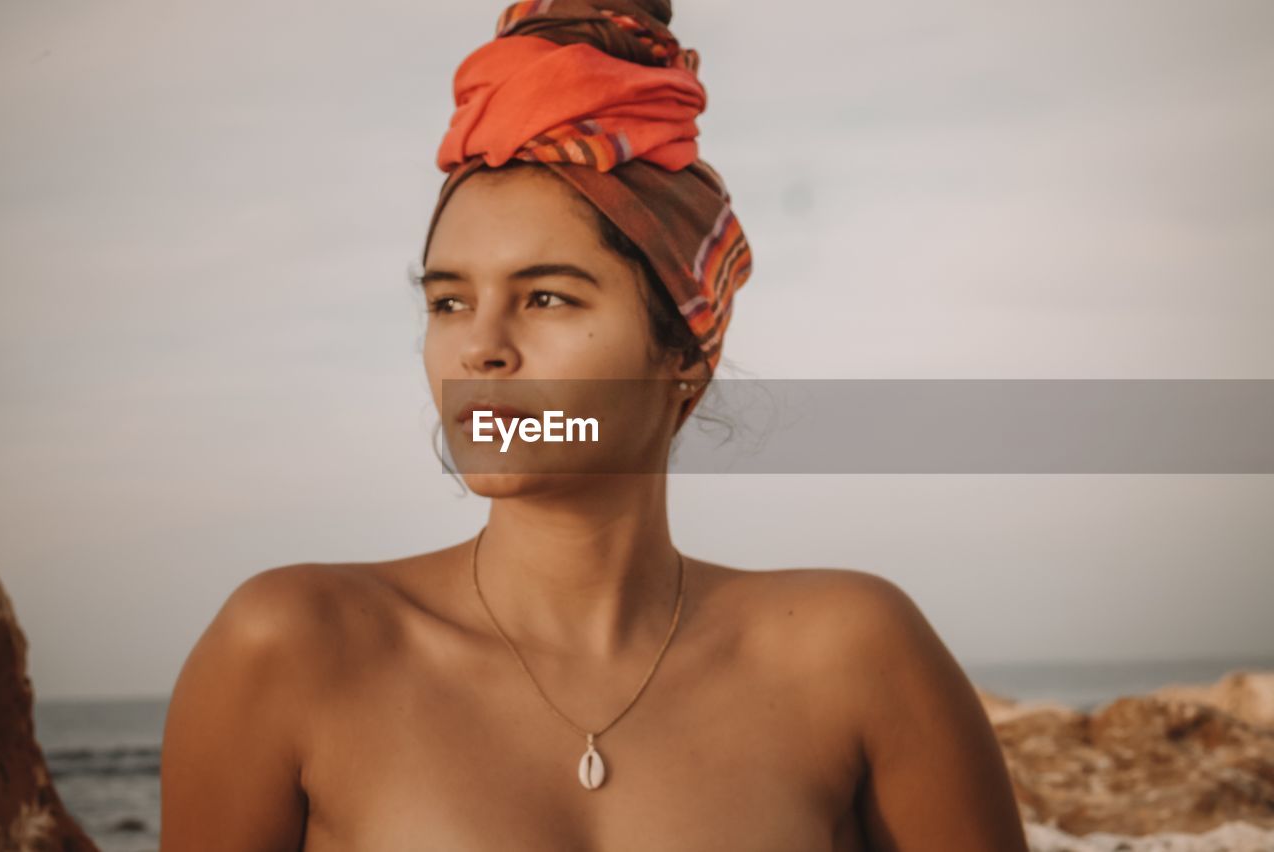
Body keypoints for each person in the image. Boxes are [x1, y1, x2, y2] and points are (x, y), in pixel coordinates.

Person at [159, 2, 1030, 849]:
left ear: (682, 352)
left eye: (546, 297)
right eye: (449, 301)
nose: (482, 351)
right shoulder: (296, 646)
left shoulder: (854, 654)